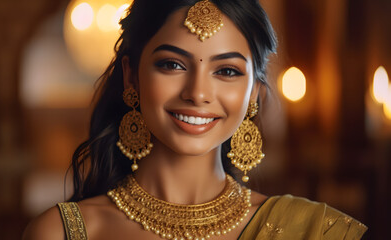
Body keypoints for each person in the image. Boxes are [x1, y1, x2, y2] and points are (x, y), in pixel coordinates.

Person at [23, 0, 367, 239]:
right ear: (131, 77)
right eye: (172, 64)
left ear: (254, 95)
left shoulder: (315, 232)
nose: (198, 93)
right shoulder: (60, 233)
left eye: (227, 70)